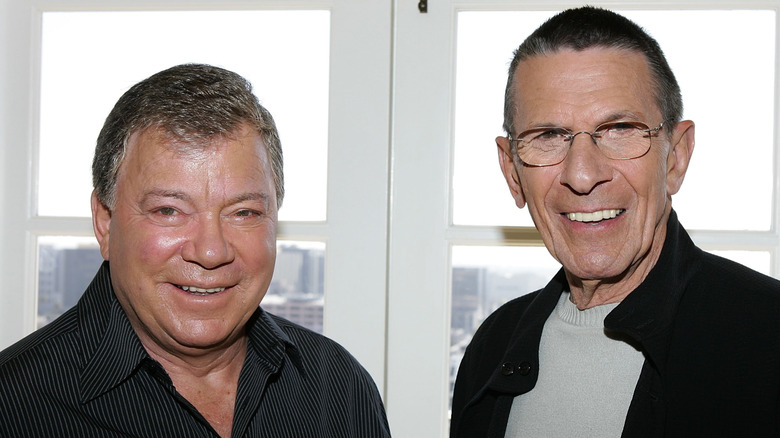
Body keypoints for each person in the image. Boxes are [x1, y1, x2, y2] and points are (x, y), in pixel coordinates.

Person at [0, 64, 391, 438]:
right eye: (169, 210)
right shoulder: (12, 406)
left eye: (244, 212)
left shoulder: (339, 387)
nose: (210, 252)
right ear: (105, 222)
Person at [451, 6, 780, 438]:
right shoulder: (493, 346)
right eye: (548, 136)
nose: (583, 175)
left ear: (676, 158)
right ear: (513, 172)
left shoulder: (768, 339)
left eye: (620, 129)